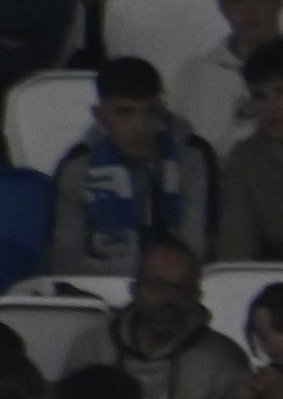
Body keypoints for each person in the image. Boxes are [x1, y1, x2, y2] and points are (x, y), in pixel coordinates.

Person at [46, 60, 217, 279]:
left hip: (179, 289)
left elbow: (197, 251)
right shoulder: (77, 167)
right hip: (100, 290)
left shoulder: (192, 157)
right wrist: (145, 273)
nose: (140, 126)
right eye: (125, 113)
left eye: (150, 112)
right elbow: (65, 261)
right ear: (100, 116)